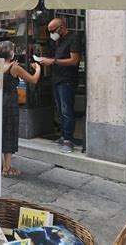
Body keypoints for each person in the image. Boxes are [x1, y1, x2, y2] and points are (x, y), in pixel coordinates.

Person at [0, 41, 41, 177]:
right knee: (9, 132)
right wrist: (38, 69)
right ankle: (7, 168)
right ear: (10, 53)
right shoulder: (14, 68)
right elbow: (32, 80)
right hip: (10, 102)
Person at [40, 18, 81, 153]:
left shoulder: (73, 39)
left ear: (61, 27)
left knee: (66, 110)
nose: (51, 34)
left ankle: (68, 140)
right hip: (57, 79)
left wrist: (53, 61)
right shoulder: (59, 41)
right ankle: (64, 136)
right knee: (60, 110)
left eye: (52, 31)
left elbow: (74, 60)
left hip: (67, 79)